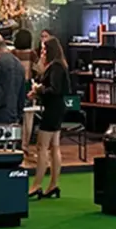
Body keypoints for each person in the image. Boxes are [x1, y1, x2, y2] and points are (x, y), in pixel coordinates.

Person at [29, 37, 70, 199]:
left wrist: (38, 89)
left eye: (45, 49)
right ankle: (53, 184)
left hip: (52, 109)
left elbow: (54, 89)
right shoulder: (60, 65)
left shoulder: (55, 67)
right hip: (57, 108)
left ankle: (36, 185)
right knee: (54, 146)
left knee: (42, 147)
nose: (42, 52)